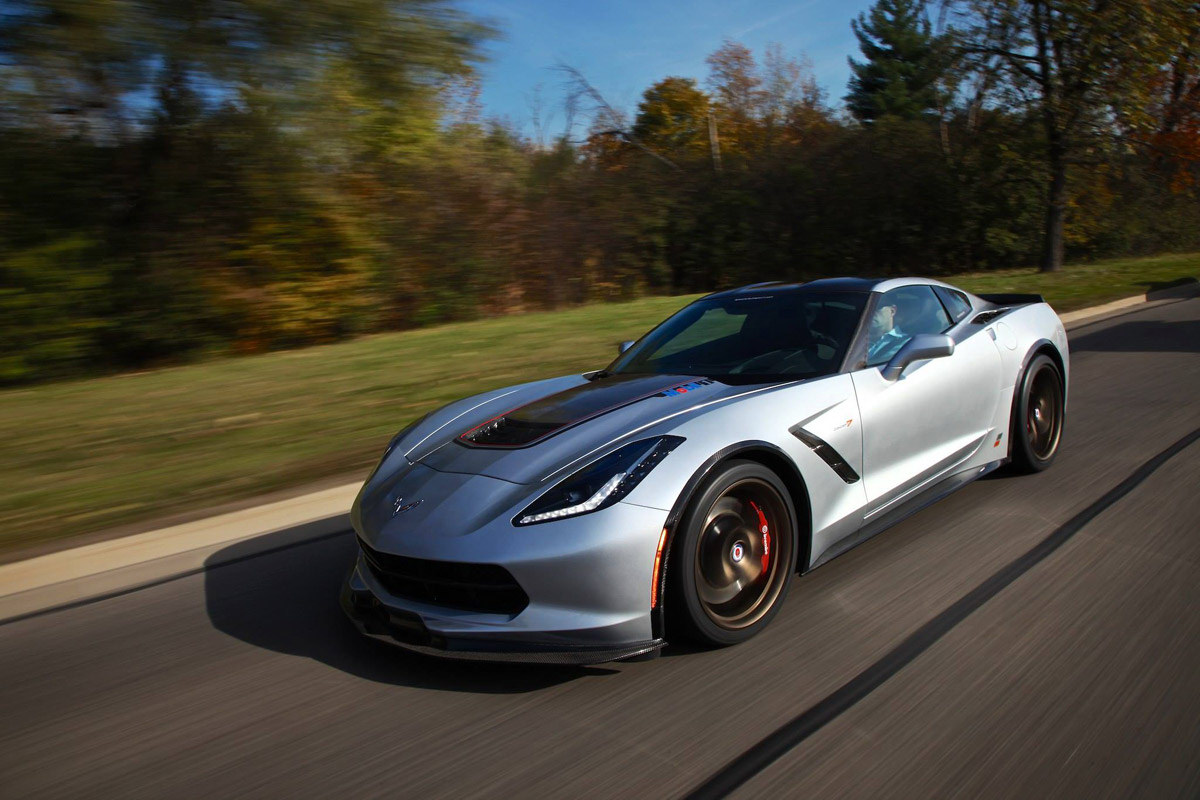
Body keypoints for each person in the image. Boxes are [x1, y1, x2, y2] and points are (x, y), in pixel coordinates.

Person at [866, 300, 909, 364]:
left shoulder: (905, 343)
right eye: (866, 308)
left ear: (892, 311)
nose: (869, 311)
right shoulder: (853, 336)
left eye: (877, 306)